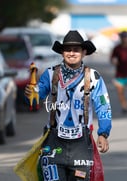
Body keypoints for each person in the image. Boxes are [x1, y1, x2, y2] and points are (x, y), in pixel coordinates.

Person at [24, 30, 112, 181]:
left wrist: (103, 134)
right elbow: (35, 100)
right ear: (62, 52)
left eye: (76, 50)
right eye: (67, 49)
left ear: (84, 52)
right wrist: (31, 95)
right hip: (53, 143)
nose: (72, 53)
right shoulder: (50, 74)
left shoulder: (94, 77)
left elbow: (103, 106)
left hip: (82, 147)